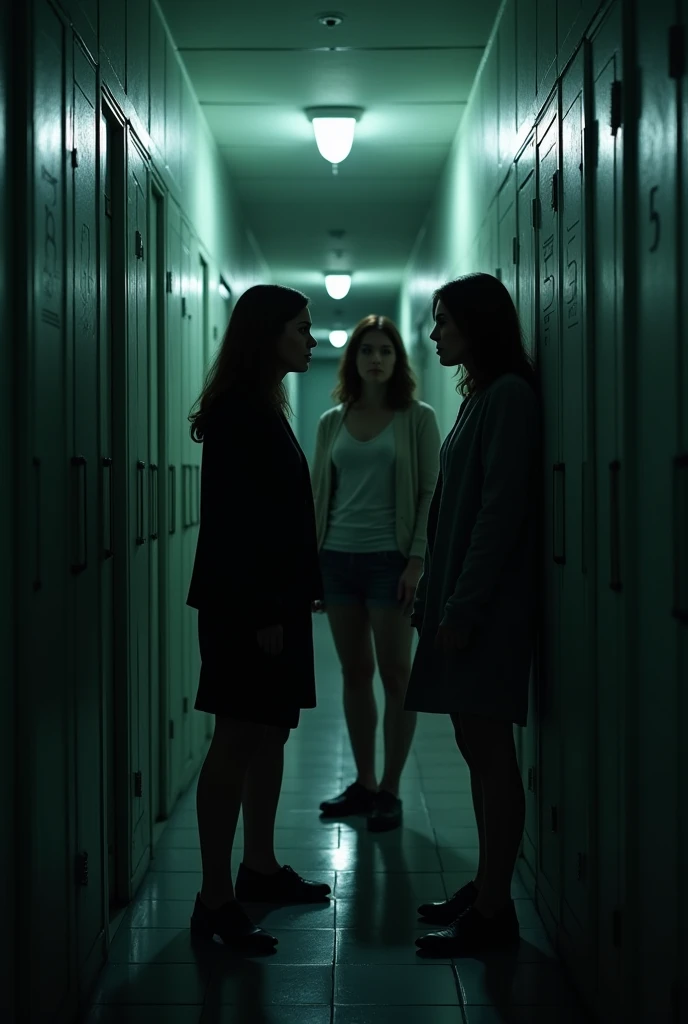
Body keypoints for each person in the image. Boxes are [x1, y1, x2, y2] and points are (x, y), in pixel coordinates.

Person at [185, 284, 331, 955]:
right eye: (301, 328)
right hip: (250, 607)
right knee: (238, 738)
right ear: (268, 333)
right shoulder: (242, 412)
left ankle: (259, 868)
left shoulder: (261, 405)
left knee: (267, 733)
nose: (310, 338)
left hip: (271, 603)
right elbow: (239, 526)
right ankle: (215, 899)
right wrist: (267, 609)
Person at [407, 273, 540, 955]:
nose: (434, 335)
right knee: (474, 749)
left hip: (484, 609)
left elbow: (498, 514)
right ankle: (487, 888)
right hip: (458, 600)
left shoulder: (510, 398)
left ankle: (495, 912)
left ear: (478, 326)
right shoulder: (480, 397)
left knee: (491, 753)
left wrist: (461, 605)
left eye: (445, 323)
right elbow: (452, 511)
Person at [312, 315, 441, 832]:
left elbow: (432, 492)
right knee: (354, 673)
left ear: (397, 360)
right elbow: (319, 495)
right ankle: (364, 782)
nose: (376, 359)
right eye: (367, 350)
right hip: (337, 560)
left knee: (397, 676)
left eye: (385, 351)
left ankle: (390, 788)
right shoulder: (331, 422)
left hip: (392, 562)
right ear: (354, 359)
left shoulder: (417, 418)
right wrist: (312, 564)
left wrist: (416, 560)